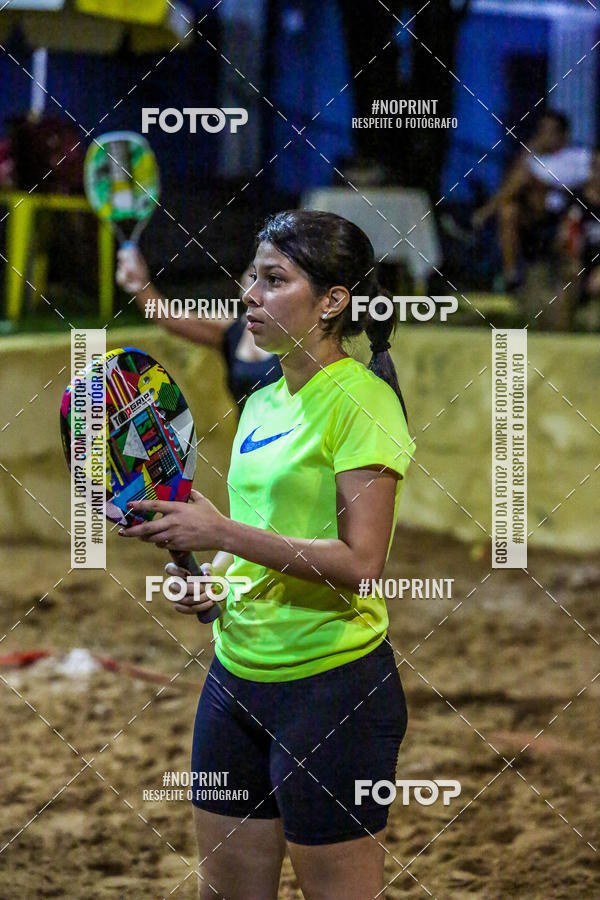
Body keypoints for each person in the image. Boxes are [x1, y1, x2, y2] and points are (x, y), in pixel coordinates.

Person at [120, 210, 414, 899]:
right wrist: (218, 583)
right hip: (233, 682)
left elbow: (361, 563)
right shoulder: (263, 400)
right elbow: (262, 536)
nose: (249, 293)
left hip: (331, 691)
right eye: (252, 276)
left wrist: (221, 535)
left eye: (273, 279)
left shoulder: (362, 402)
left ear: (333, 302)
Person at [115, 248, 282, 413]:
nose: (254, 283)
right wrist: (139, 286)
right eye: (252, 274)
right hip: (248, 438)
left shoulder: (295, 332)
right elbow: (169, 317)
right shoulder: (232, 329)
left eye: (270, 278)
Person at [473, 111, 590, 293]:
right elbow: (513, 183)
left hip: (564, 213)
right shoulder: (535, 159)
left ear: (563, 135)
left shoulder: (579, 157)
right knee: (508, 210)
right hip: (532, 215)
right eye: (540, 131)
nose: (543, 136)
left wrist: (540, 183)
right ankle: (511, 277)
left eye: (548, 131)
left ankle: (483, 214)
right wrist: (529, 149)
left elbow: (580, 186)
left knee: (525, 177)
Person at [558, 147, 600, 331]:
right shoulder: (576, 197)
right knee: (570, 274)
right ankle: (564, 334)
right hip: (580, 263)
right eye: (596, 168)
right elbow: (564, 236)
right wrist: (570, 257)